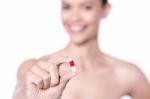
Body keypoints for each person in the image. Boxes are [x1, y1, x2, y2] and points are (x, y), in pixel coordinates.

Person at [13, 0, 150, 99]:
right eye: (67, 7)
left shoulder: (128, 74)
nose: (74, 17)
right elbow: (21, 93)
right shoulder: (36, 69)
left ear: (105, 9)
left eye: (86, 7)